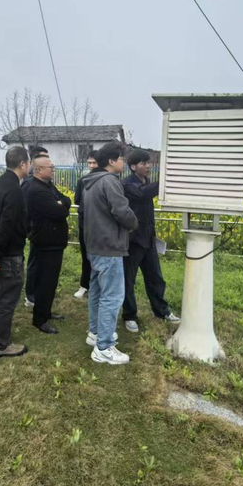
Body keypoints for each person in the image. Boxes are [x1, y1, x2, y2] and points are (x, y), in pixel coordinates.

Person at [82, 141, 138, 365]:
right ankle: (104, 347)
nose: (123, 162)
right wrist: (134, 224)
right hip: (109, 246)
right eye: (122, 159)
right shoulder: (110, 181)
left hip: (95, 245)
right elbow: (122, 210)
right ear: (112, 161)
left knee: (97, 292)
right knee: (112, 296)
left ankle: (95, 333)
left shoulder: (90, 182)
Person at [122, 149, 180, 332]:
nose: (148, 166)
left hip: (148, 239)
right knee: (128, 280)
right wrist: (165, 180)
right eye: (144, 163)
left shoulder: (146, 182)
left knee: (155, 278)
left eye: (149, 163)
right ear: (133, 167)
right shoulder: (127, 184)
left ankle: (162, 311)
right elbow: (143, 194)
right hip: (133, 241)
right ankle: (129, 316)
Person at [0, 146, 30, 357]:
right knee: (7, 298)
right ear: (22, 164)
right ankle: (2, 345)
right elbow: (7, 223)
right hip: (8, 253)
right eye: (28, 163)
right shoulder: (13, 189)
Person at [27, 155, 71, 334]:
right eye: (50, 167)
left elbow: (66, 200)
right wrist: (60, 205)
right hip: (46, 243)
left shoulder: (48, 186)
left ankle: (46, 311)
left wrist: (61, 203)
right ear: (38, 170)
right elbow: (59, 212)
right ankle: (39, 319)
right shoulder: (36, 189)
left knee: (51, 281)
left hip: (54, 243)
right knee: (45, 282)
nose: (53, 169)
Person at [22, 146, 49, 308]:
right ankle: (30, 295)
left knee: (42, 265)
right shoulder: (29, 183)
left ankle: (39, 293)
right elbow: (25, 209)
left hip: (46, 231)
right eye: (43, 157)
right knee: (34, 263)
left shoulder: (45, 182)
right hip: (36, 230)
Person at [73, 151, 98, 299]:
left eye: (94, 163)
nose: (91, 166)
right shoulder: (82, 181)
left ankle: (98, 286)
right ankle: (84, 285)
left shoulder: (107, 180)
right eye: (89, 163)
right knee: (86, 256)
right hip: (85, 224)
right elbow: (77, 200)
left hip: (100, 226)